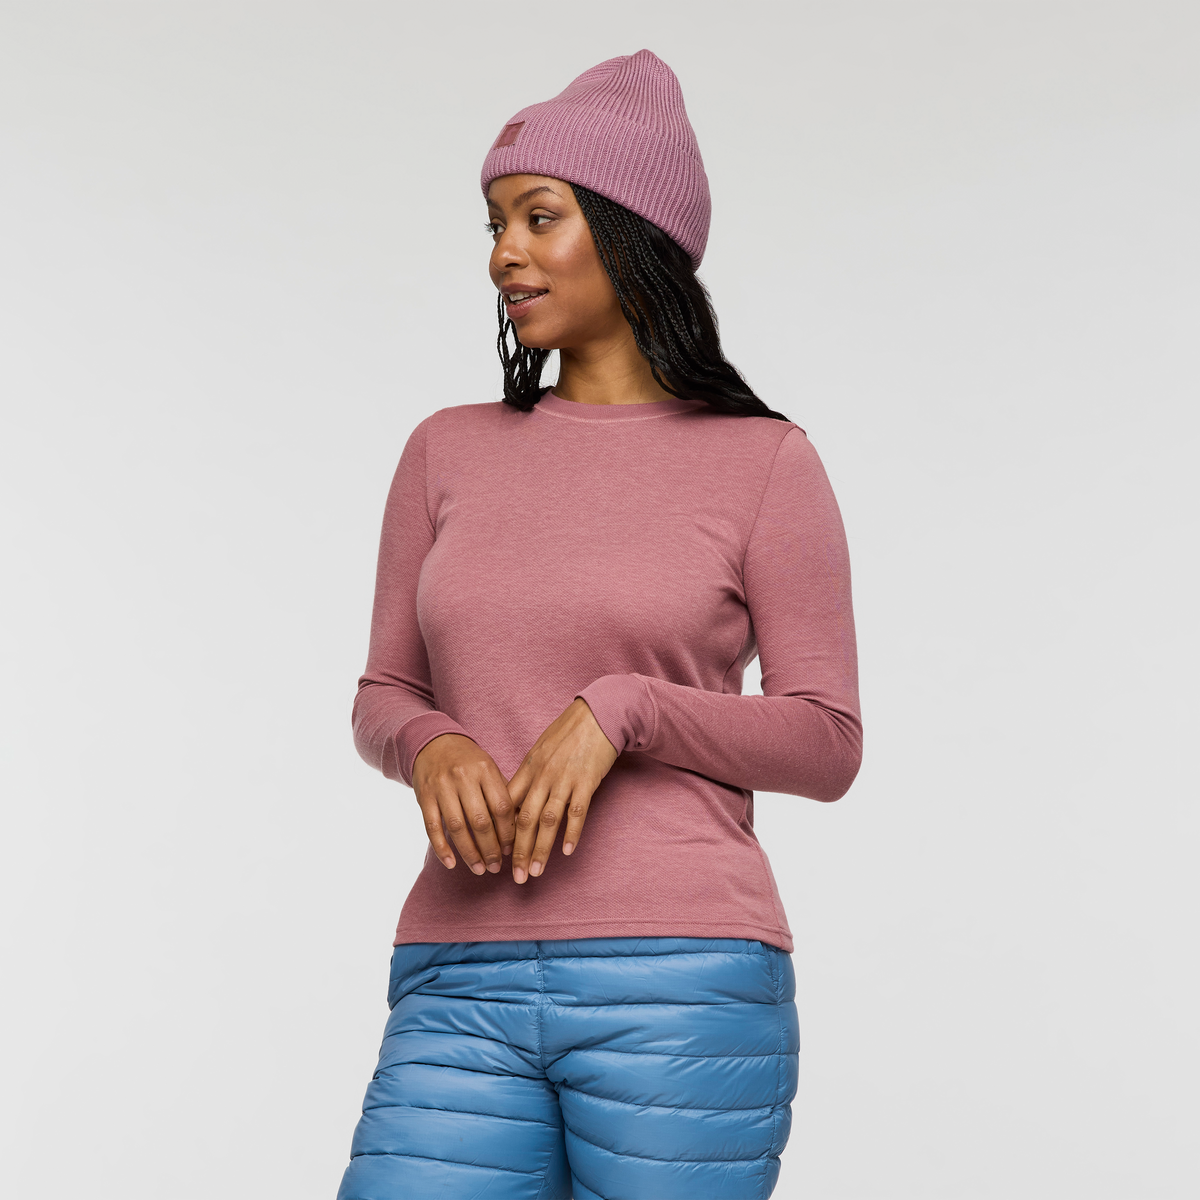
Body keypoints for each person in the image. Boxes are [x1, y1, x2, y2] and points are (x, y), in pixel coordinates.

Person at [336, 49, 862, 1200]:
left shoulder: (765, 463)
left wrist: (627, 710)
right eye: (495, 225)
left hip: (683, 978)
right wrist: (432, 743)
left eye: (539, 217)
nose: (503, 254)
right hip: (459, 969)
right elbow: (384, 692)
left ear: (631, 234)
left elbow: (827, 740)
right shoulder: (444, 450)